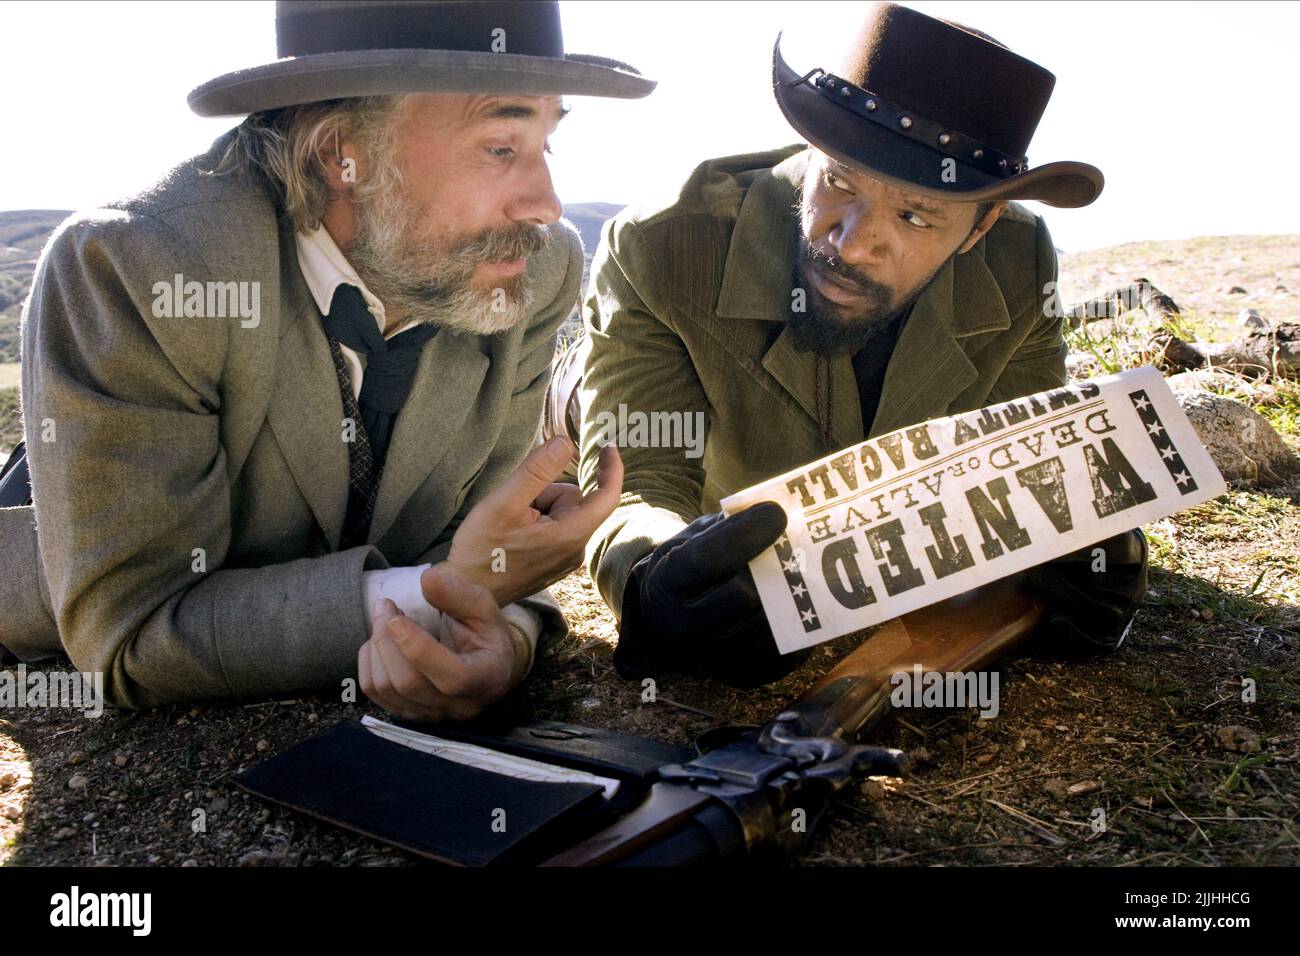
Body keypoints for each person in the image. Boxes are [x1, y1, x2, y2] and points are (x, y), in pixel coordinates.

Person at [1, 0, 655, 719]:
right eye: (501, 148)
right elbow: (137, 631)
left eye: (546, 146)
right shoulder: (143, 267)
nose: (546, 206)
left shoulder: (529, 269)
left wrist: (502, 637)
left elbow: (482, 544)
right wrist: (428, 600)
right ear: (340, 152)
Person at [574, 2, 1147, 688]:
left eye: (914, 215)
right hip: (593, 403)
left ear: (981, 225)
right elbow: (636, 483)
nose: (850, 243)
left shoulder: (1018, 260)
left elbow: (1012, 475)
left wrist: (1067, 553)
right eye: (839, 182)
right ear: (809, 153)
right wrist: (651, 574)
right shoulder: (661, 244)